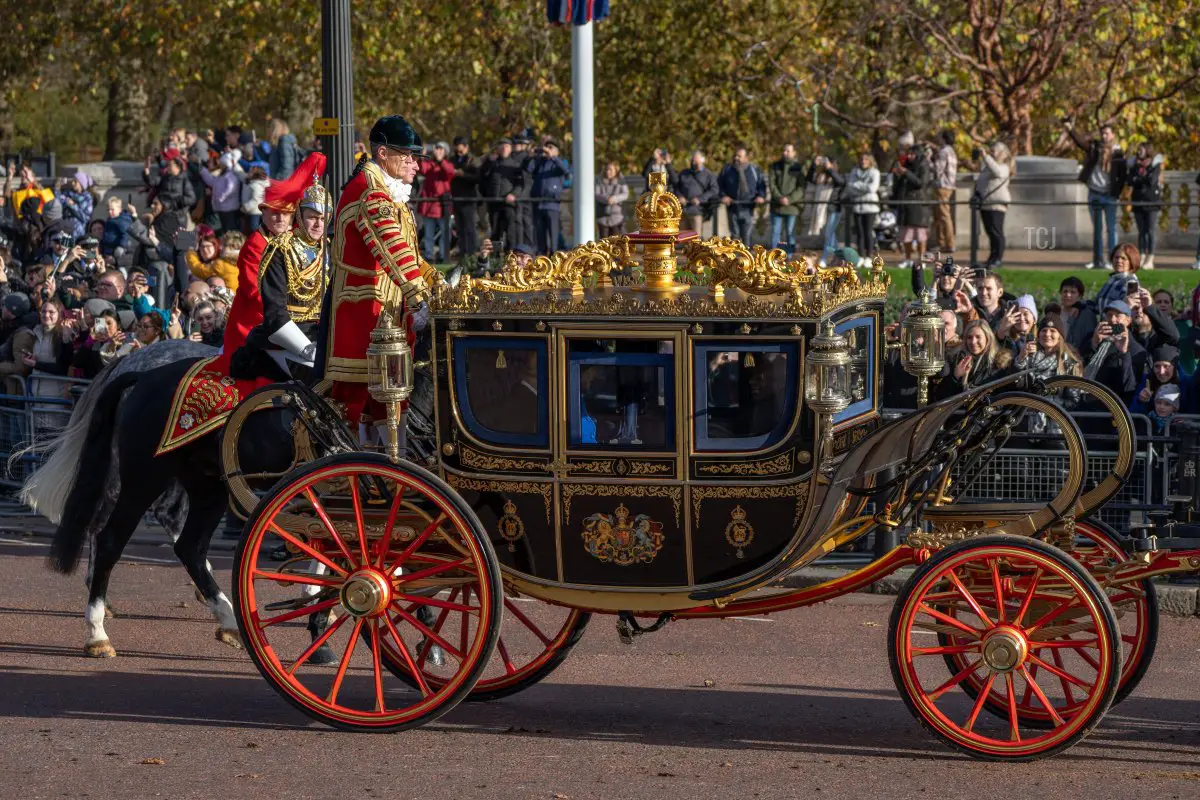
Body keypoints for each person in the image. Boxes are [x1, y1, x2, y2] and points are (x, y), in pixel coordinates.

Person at [325, 115, 442, 429]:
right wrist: (419, 293)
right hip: (364, 317)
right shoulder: (369, 191)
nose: (415, 164)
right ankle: (346, 474)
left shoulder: (390, 194)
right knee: (354, 404)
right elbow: (390, 243)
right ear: (383, 154)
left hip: (387, 318)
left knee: (391, 404)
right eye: (408, 156)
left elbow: (411, 256)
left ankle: (390, 471)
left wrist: (437, 282)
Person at [220, 152, 327, 371]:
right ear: (264, 214)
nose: (279, 219)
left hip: (295, 324)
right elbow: (256, 293)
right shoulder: (255, 245)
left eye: (285, 214)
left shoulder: (303, 243)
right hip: (256, 323)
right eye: (274, 214)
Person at [1064, 119, 1126, 270]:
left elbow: (1123, 176)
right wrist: (1070, 129)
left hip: (1110, 196)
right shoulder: (1095, 148)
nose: (1104, 136)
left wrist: (1116, 193)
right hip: (1095, 194)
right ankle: (1097, 260)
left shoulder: (1118, 152)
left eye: (1107, 133)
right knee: (1097, 230)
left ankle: (1113, 261)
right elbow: (1080, 143)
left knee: (1111, 229)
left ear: (1113, 135)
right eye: (1103, 133)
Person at [1083, 299, 1147, 406]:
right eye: (1109, 315)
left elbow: (1129, 386)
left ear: (1128, 320)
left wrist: (1123, 352)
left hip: (1111, 407)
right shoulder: (1093, 337)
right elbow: (1078, 363)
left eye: (1118, 316)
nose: (1113, 320)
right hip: (1085, 400)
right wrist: (1094, 343)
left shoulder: (1136, 349)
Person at [891, 132, 933, 269]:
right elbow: (899, 185)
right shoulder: (906, 165)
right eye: (909, 154)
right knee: (906, 235)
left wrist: (906, 173)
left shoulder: (923, 165)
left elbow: (921, 183)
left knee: (920, 235)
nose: (910, 157)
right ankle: (908, 258)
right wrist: (897, 175)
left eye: (912, 155)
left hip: (919, 205)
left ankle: (921, 259)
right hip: (906, 205)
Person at [972, 141, 1015, 269]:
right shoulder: (988, 167)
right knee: (990, 232)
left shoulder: (1004, 167)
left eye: (993, 150)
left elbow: (997, 172)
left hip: (997, 204)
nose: (991, 152)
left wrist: (985, 156)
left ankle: (998, 259)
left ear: (1002, 153)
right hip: (986, 203)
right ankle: (992, 258)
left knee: (997, 232)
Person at [945, 318, 1014, 396]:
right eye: (969, 337)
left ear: (987, 338)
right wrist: (955, 376)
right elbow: (942, 397)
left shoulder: (1000, 361)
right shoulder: (956, 359)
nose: (973, 342)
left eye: (978, 337)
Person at [525, 139, 571, 255]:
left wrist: (553, 157)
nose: (547, 150)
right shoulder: (539, 162)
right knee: (540, 234)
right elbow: (528, 170)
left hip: (552, 204)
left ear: (557, 151)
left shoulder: (559, 163)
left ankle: (555, 256)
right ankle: (542, 257)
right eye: (546, 147)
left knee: (553, 233)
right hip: (538, 203)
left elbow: (565, 171)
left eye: (551, 147)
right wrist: (532, 156)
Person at [480, 138, 524, 251]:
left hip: (509, 204)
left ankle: (511, 257)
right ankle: (495, 258)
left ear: (511, 149)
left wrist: (513, 194)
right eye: (502, 146)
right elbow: (482, 179)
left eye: (507, 146)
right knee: (495, 231)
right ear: (498, 149)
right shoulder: (491, 164)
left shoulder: (515, 165)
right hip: (494, 203)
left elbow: (520, 184)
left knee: (510, 232)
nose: (504, 149)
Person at [1126, 142, 1164, 270]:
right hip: (1138, 200)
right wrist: (1140, 178)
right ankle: (1141, 255)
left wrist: (1138, 179)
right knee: (1141, 231)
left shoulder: (1154, 164)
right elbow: (1130, 180)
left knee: (1151, 230)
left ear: (1147, 150)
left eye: (1141, 149)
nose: (1139, 151)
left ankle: (1150, 258)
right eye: (1138, 149)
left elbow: (1151, 181)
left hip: (1151, 201)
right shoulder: (1135, 164)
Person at [416, 141, 456, 263]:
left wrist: (441, 161)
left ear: (446, 152)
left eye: (441, 149)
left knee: (445, 233)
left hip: (443, 205)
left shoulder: (448, 164)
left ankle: (444, 256)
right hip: (429, 204)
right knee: (428, 233)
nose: (438, 151)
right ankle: (429, 256)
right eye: (436, 148)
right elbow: (422, 169)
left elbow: (449, 173)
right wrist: (421, 155)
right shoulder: (430, 164)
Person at [717, 147, 766, 246]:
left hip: (748, 207)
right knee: (734, 235)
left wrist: (760, 196)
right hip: (732, 206)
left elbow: (761, 185)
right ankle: (734, 259)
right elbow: (719, 185)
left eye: (739, 156)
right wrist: (723, 196)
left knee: (747, 234)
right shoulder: (727, 169)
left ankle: (747, 258)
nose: (736, 158)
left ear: (746, 158)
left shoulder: (754, 169)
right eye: (735, 156)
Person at [768, 144, 805, 254]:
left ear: (794, 153)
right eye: (784, 150)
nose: (785, 153)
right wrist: (779, 198)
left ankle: (789, 258)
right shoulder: (775, 166)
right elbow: (772, 185)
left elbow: (801, 187)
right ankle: (774, 258)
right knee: (775, 232)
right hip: (777, 206)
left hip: (792, 207)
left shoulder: (799, 167)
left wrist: (790, 199)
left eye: (788, 151)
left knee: (790, 233)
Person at [845, 153, 880, 266]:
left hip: (870, 206)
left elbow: (872, 188)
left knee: (868, 232)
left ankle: (869, 257)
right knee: (859, 232)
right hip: (857, 205)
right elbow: (850, 187)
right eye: (861, 159)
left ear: (870, 161)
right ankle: (860, 256)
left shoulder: (875, 172)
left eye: (866, 159)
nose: (863, 161)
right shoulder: (854, 172)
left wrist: (858, 185)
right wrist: (863, 186)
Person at [1131, 344, 1187, 414]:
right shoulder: (1146, 381)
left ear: (1174, 367)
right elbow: (1134, 415)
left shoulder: (1185, 383)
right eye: (1157, 366)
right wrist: (1141, 401)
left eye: (1166, 366)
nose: (1161, 372)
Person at [449, 136, 481, 258]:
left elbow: (477, 178)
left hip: (469, 199)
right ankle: (463, 253)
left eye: (459, 145)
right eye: (456, 145)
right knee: (460, 228)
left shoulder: (473, 160)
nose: (457, 148)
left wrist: (463, 174)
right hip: (456, 197)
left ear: (465, 146)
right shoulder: (452, 159)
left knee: (470, 228)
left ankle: (472, 254)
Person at [675, 150, 718, 235]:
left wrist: (700, 199)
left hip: (697, 211)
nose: (693, 163)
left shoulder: (708, 174)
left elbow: (714, 189)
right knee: (682, 238)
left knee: (695, 240)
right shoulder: (683, 173)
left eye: (696, 161)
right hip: (683, 211)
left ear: (702, 160)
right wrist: (679, 196)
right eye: (692, 161)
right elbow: (676, 187)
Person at [201, 151, 244, 234]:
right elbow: (212, 182)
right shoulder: (222, 175)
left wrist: (220, 197)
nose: (220, 165)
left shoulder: (230, 175)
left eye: (222, 163)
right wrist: (203, 171)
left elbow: (231, 188)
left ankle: (232, 246)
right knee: (224, 229)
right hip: (221, 207)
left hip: (229, 208)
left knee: (229, 230)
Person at [1094, 242, 1141, 316]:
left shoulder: (1132, 284)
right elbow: (1097, 305)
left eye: (1123, 258)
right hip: (1105, 324)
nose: (1119, 261)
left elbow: (1130, 312)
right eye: (1116, 257)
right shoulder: (1112, 280)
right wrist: (1078, 306)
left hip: (1118, 326)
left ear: (1132, 262)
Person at [932, 130, 958, 254]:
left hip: (942, 186)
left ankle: (949, 244)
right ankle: (942, 243)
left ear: (944, 138)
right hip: (949, 186)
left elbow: (937, 169)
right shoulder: (951, 151)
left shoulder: (943, 152)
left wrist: (929, 159)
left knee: (943, 216)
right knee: (940, 216)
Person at [1057, 276, 1098, 353]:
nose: (1068, 295)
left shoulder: (1087, 315)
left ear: (1079, 296)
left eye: (1073, 292)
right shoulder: (1055, 314)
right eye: (1065, 291)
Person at [595, 161, 629, 238]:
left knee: (615, 241)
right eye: (607, 169)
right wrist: (606, 199)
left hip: (617, 216)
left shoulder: (621, 181)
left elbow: (625, 194)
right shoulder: (599, 180)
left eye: (610, 170)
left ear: (616, 170)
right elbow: (596, 194)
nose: (608, 172)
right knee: (603, 241)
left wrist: (615, 198)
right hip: (602, 215)